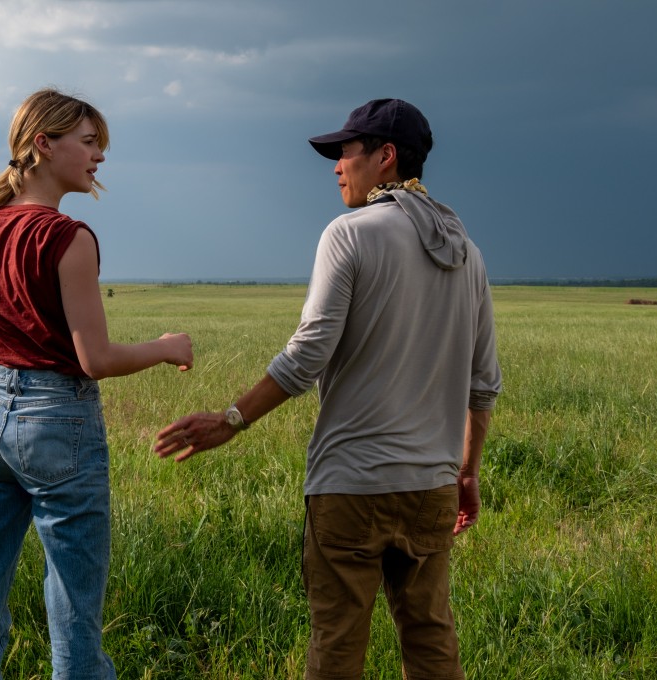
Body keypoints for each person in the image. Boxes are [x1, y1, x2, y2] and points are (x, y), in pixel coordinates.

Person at [155, 98, 501, 679]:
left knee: (337, 648)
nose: (337, 167)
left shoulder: (349, 234)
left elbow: (306, 357)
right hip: (432, 490)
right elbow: (483, 384)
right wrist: (465, 474)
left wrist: (230, 420)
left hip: (352, 486)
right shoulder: (467, 253)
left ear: (385, 157)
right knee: (431, 636)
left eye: (346, 152)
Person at [0, 88, 193, 680]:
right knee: (73, 610)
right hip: (57, 422)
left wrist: (8, 338)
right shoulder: (68, 237)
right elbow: (93, 359)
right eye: (90, 142)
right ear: (42, 145)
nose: (99, 158)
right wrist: (164, 348)